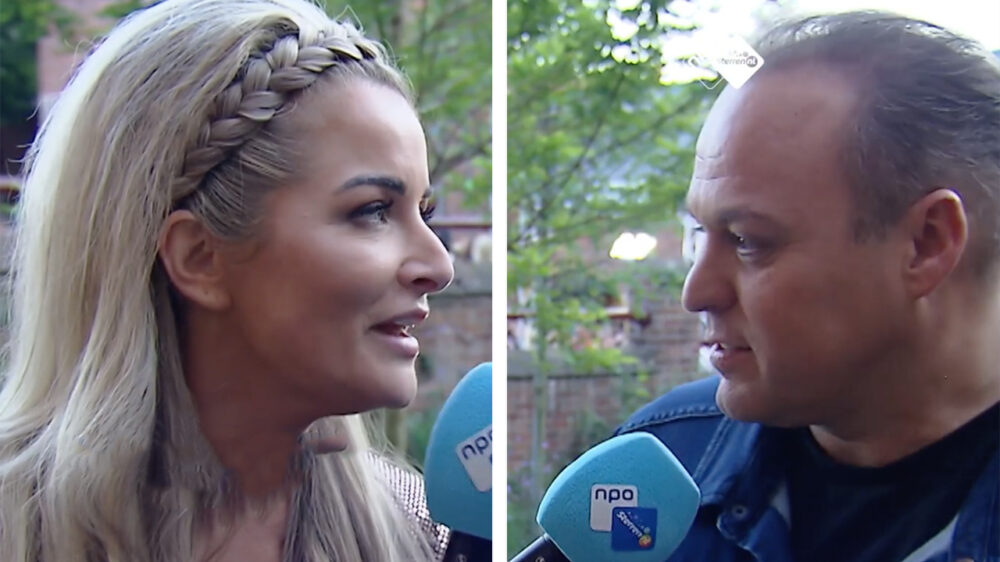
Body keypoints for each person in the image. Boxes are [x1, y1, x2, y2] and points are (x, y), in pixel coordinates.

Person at [0, 0, 455, 560]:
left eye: (424, 212)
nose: (438, 266)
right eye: (373, 210)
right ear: (199, 257)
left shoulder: (422, 533)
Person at [618, 11, 1000, 562]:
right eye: (700, 233)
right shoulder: (654, 468)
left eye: (747, 241)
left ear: (926, 243)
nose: (696, 293)